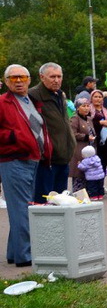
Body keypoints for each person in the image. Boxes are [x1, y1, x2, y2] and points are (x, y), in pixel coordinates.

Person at [1, 64, 52, 267]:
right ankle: (25, 255)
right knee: (22, 208)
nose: (18, 81)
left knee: (21, 207)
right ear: (6, 82)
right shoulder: (3, 102)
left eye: (22, 77)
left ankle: (14, 253)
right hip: (14, 160)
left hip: (33, 160)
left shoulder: (30, 101)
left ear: (29, 80)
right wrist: (15, 137)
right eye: (13, 78)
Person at [29, 62, 75, 201]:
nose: (56, 80)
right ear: (42, 77)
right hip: (46, 159)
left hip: (63, 156)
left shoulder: (60, 95)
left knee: (60, 201)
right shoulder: (33, 95)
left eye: (59, 76)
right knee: (44, 202)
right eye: (52, 77)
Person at [69, 96, 95, 192]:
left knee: (88, 175)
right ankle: (78, 194)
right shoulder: (74, 118)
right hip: (79, 151)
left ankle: (88, 194)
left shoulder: (89, 119)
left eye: (88, 106)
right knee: (79, 175)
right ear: (77, 108)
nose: (86, 108)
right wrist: (85, 137)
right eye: (83, 106)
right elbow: (72, 133)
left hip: (90, 151)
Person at [89, 88, 107, 169]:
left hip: (105, 140)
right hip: (94, 140)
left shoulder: (105, 110)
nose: (98, 99)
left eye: (100, 97)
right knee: (94, 165)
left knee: (103, 164)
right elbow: (87, 123)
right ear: (91, 98)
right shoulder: (88, 110)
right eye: (95, 97)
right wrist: (100, 122)